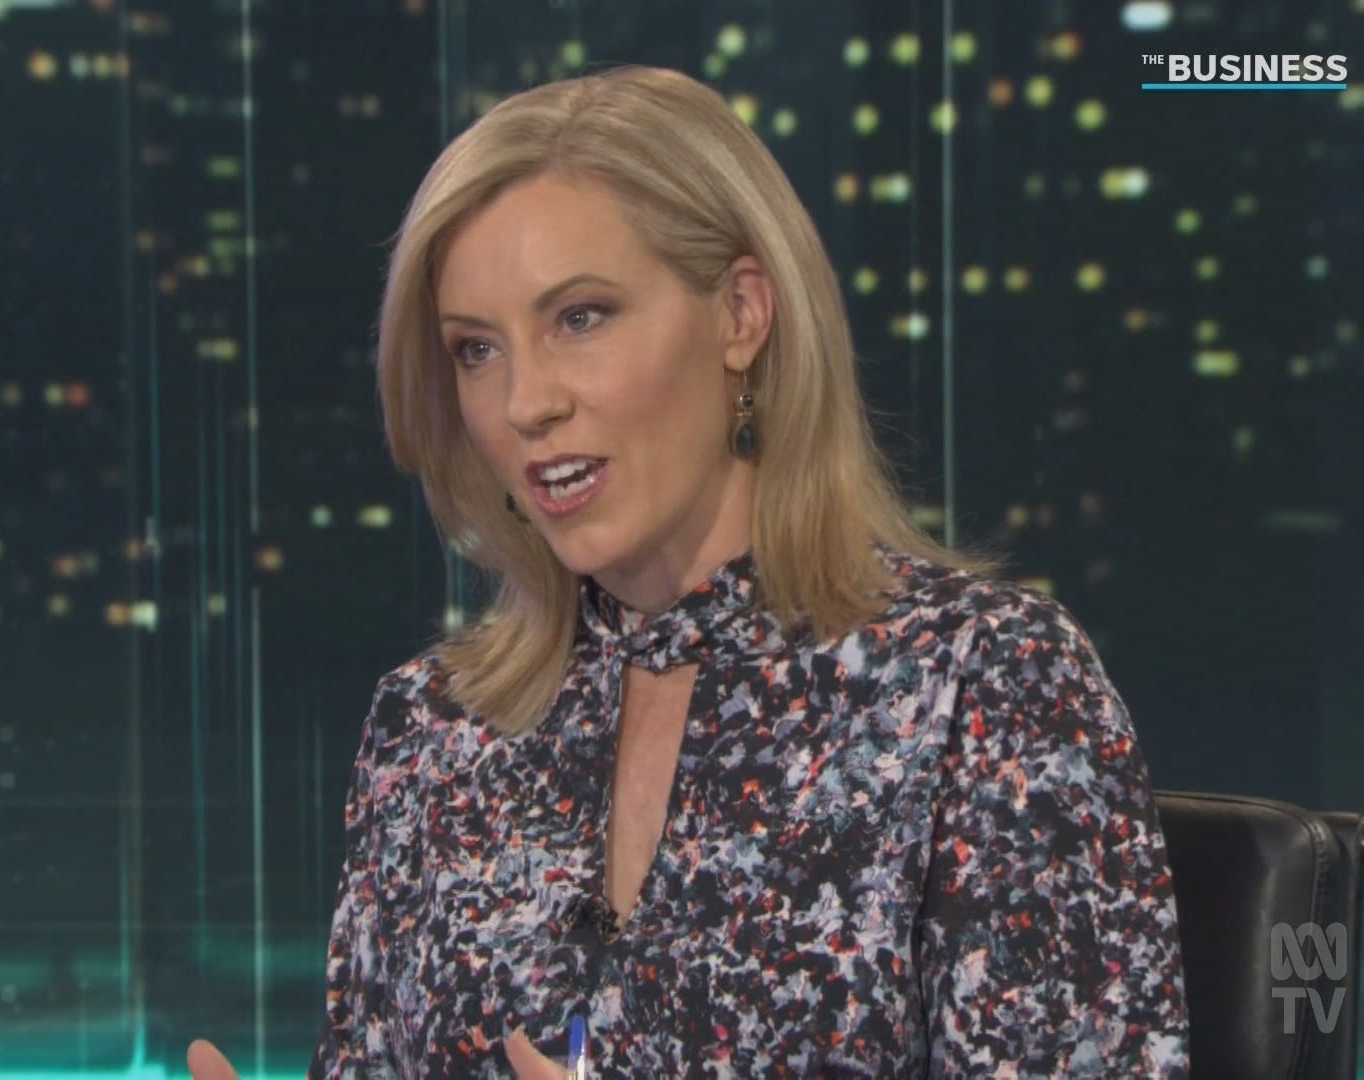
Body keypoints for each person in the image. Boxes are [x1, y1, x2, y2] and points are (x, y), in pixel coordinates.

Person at [189, 64, 1190, 1077]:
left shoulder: (987, 686)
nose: (525, 403)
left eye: (580, 317)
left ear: (740, 314)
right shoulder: (430, 734)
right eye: (476, 351)